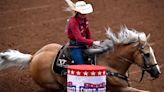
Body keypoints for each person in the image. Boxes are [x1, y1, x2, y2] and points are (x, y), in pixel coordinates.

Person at [65, 0, 101, 64]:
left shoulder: (85, 19)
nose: (84, 14)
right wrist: (92, 42)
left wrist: (90, 43)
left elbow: (88, 33)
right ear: (77, 12)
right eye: (82, 13)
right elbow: (79, 39)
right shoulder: (73, 22)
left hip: (84, 44)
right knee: (80, 64)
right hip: (75, 46)